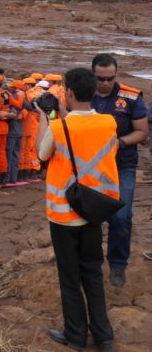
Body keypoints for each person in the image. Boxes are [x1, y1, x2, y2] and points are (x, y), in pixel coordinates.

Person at [36, 67, 118, 352]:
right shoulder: (109, 122)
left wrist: (44, 117)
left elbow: (41, 153)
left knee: (70, 278)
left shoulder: (60, 126)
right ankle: (104, 336)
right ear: (94, 90)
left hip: (63, 215)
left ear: (68, 92)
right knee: (93, 273)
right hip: (94, 210)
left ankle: (75, 336)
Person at [90, 53, 147, 288]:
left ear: (116, 73)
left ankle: (117, 265)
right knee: (89, 215)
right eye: (100, 78)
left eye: (109, 78)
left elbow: (142, 133)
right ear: (92, 73)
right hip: (90, 167)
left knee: (121, 216)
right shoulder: (82, 94)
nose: (105, 83)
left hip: (122, 165)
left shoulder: (131, 96)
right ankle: (90, 262)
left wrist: (120, 143)